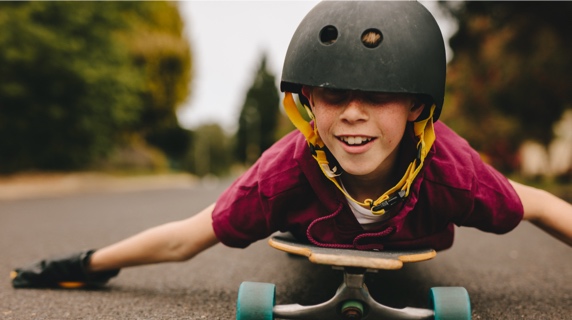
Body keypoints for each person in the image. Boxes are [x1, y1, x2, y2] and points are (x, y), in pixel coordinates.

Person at [11, 0, 572, 289]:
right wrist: (87, 263)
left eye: (379, 97)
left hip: (423, 224)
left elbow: (543, 205)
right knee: (278, 209)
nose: (352, 113)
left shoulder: (454, 172)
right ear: (307, 102)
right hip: (306, 217)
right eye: (333, 94)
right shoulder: (281, 172)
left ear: (418, 105)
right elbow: (185, 239)